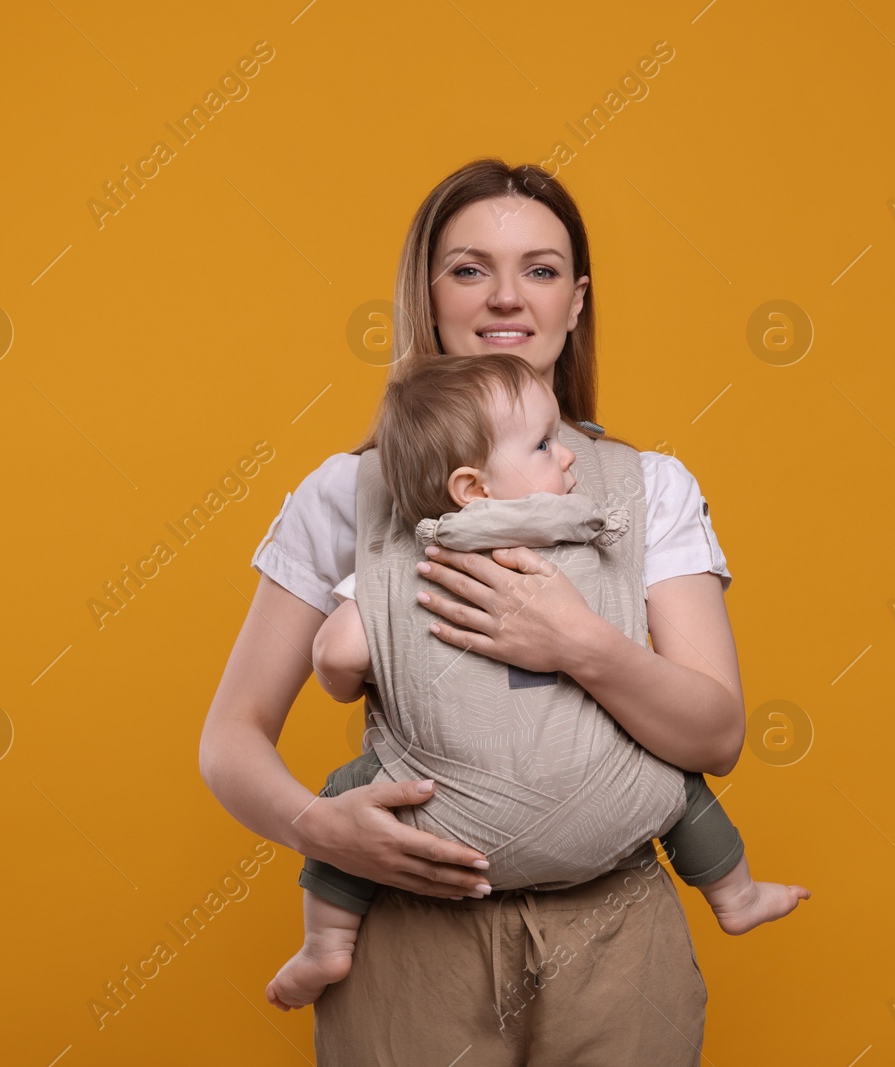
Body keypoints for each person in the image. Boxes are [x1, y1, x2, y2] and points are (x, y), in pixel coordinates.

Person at [200, 158, 767, 1065]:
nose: (507, 298)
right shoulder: (347, 493)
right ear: (426, 300)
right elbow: (229, 737)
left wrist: (578, 641)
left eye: (540, 270)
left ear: (576, 302)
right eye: (470, 268)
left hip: (617, 936)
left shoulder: (649, 487)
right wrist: (317, 825)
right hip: (414, 941)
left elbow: (716, 738)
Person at [264, 353, 808, 1010]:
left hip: (444, 810)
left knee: (348, 793)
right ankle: (736, 893)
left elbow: (340, 655)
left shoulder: (420, 557)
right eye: (547, 445)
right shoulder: (590, 539)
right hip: (595, 799)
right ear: (474, 487)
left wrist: (349, 667)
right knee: (676, 785)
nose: (569, 457)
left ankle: (326, 942)